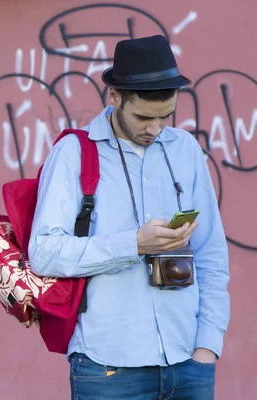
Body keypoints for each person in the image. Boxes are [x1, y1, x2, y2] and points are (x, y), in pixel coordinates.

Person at [28, 35, 230, 399]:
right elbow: (44, 252)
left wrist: (207, 347)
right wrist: (133, 245)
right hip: (108, 367)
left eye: (164, 117)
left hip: (189, 361)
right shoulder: (73, 153)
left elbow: (211, 253)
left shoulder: (185, 149)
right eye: (143, 117)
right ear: (115, 97)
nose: (154, 129)